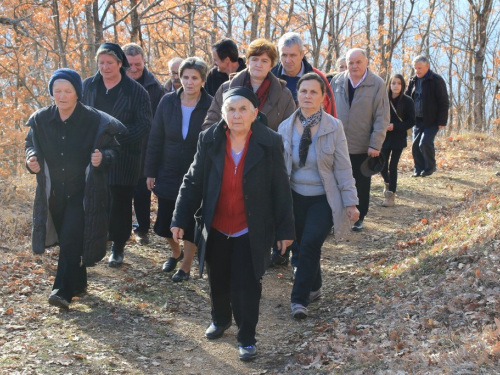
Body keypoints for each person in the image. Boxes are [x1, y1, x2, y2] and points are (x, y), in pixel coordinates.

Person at [171, 87, 295, 361]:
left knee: (247, 283)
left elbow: (280, 187)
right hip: (216, 224)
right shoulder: (209, 139)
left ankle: (247, 336)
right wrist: (179, 218)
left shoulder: (269, 141)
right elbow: (192, 181)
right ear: (223, 113)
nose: (236, 115)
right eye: (230, 109)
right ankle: (220, 318)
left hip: (250, 227)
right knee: (218, 276)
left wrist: (285, 230)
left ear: (254, 113)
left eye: (242, 109)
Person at [25, 69, 126, 308]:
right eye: (57, 91)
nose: (61, 96)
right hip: (53, 193)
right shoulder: (40, 120)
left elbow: (115, 149)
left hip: (83, 193)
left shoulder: (95, 120)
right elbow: (31, 144)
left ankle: (62, 291)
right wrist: (31, 159)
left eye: (67, 91)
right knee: (67, 239)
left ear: (77, 94)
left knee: (71, 238)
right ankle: (79, 282)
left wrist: (104, 158)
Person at [277, 73, 359, 319]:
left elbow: (343, 167)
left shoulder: (334, 127)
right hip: (294, 196)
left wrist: (351, 202)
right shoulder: (285, 127)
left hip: (323, 197)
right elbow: (280, 169)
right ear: (297, 95)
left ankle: (298, 300)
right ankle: (314, 286)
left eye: (314, 92)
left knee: (312, 243)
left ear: (323, 97)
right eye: (303, 91)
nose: (308, 96)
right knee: (301, 247)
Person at [82, 42, 153, 267]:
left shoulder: (135, 91)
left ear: (120, 64)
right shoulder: (88, 86)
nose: (105, 67)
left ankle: (118, 246)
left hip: (124, 156)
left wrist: (112, 140)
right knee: (95, 200)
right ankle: (94, 242)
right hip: (92, 155)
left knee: (120, 203)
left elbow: (143, 125)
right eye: (101, 63)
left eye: (110, 63)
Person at [145, 57, 212, 282]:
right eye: (185, 77)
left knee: (191, 221)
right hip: (168, 169)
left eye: (194, 78)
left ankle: (185, 265)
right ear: (178, 77)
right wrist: (150, 170)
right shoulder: (167, 102)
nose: (189, 82)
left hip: (196, 173)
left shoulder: (211, 105)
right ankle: (176, 251)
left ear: (203, 80)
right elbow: (155, 138)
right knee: (164, 223)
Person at [330, 48, 389, 232]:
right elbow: (329, 110)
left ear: (366, 62)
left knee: (360, 183)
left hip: (364, 146)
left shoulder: (377, 84)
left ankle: (359, 217)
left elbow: (382, 116)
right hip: (338, 144)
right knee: (337, 182)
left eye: (358, 62)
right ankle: (338, 217)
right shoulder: (337, 81)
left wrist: (375, 144)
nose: (354, 66)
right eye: (350, 63)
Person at [123, 42, 166, 245]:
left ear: (143, 62)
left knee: (141, 192)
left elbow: (160, 122)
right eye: (129, 64)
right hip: (120, 146)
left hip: (144, 148)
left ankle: (142, 229)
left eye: (137, 64)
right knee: (120, 192)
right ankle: (118, 232)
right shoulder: (117, 82)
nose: (134, 68)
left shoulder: (155, 88)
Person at [202, 38, 296, 131]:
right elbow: (210, 124)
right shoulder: (226, 88)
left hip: (269, 146)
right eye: (254, 59)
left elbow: (289, 132)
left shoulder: (284, 95)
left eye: (264, 61)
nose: (258, 65)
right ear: (247, 62)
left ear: (271, 65)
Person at [271, 32, 336, 117]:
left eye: (292, 55)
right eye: (284, 55)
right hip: (276, 129)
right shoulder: (270, 77)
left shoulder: (319, 78)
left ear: (302, 54)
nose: (288, 60)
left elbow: (330, 112)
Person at [405, 55, 449, 177]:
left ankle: (430, 167)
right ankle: (418, 169)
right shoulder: (413, 80)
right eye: (415, 68)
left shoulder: (436, 80)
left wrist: (442, 120)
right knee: (415, 146)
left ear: (427, 67)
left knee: (424, 143)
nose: (417, 71)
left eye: (419, 68)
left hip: (432, 120)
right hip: (417, 119)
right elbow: (407, 98)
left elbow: (444, 102)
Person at [380, 74, 416, 207]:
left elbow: (411, 121)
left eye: (399, 83)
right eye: (393, 83)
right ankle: (387, 183)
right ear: (389, 84)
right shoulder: (383, 99)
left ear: (403, 85)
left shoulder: (407, 101)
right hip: (383, 138)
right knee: (382, 166)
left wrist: (395, 126)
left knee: (392, 166)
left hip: (398, 138)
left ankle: (390, 195)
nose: (396, 86)